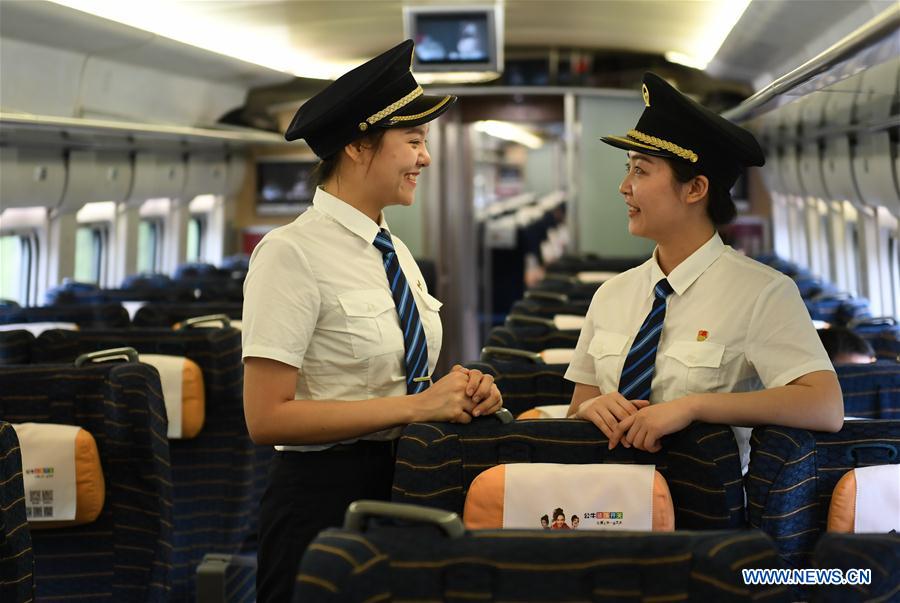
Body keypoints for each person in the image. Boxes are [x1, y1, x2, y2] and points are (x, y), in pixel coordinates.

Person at [242, 39, 503, 603]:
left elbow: (395, 377)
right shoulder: (290, 253)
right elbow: (266, 418)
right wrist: (418, 406)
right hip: (322, 498)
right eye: (413, 141)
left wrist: (459, 392)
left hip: (411, 479)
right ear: (359, 146)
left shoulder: (393, 249)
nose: (425, 158)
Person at [564, 72, 843, 471]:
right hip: (608, 504)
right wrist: (593, 407)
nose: (625, 186)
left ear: (695, 189)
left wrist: (693, 408)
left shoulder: (762, 293)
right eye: (628, 169)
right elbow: (578, 408)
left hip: (704, 516)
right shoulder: (612, 295)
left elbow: (825, 405)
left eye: (641, 171)